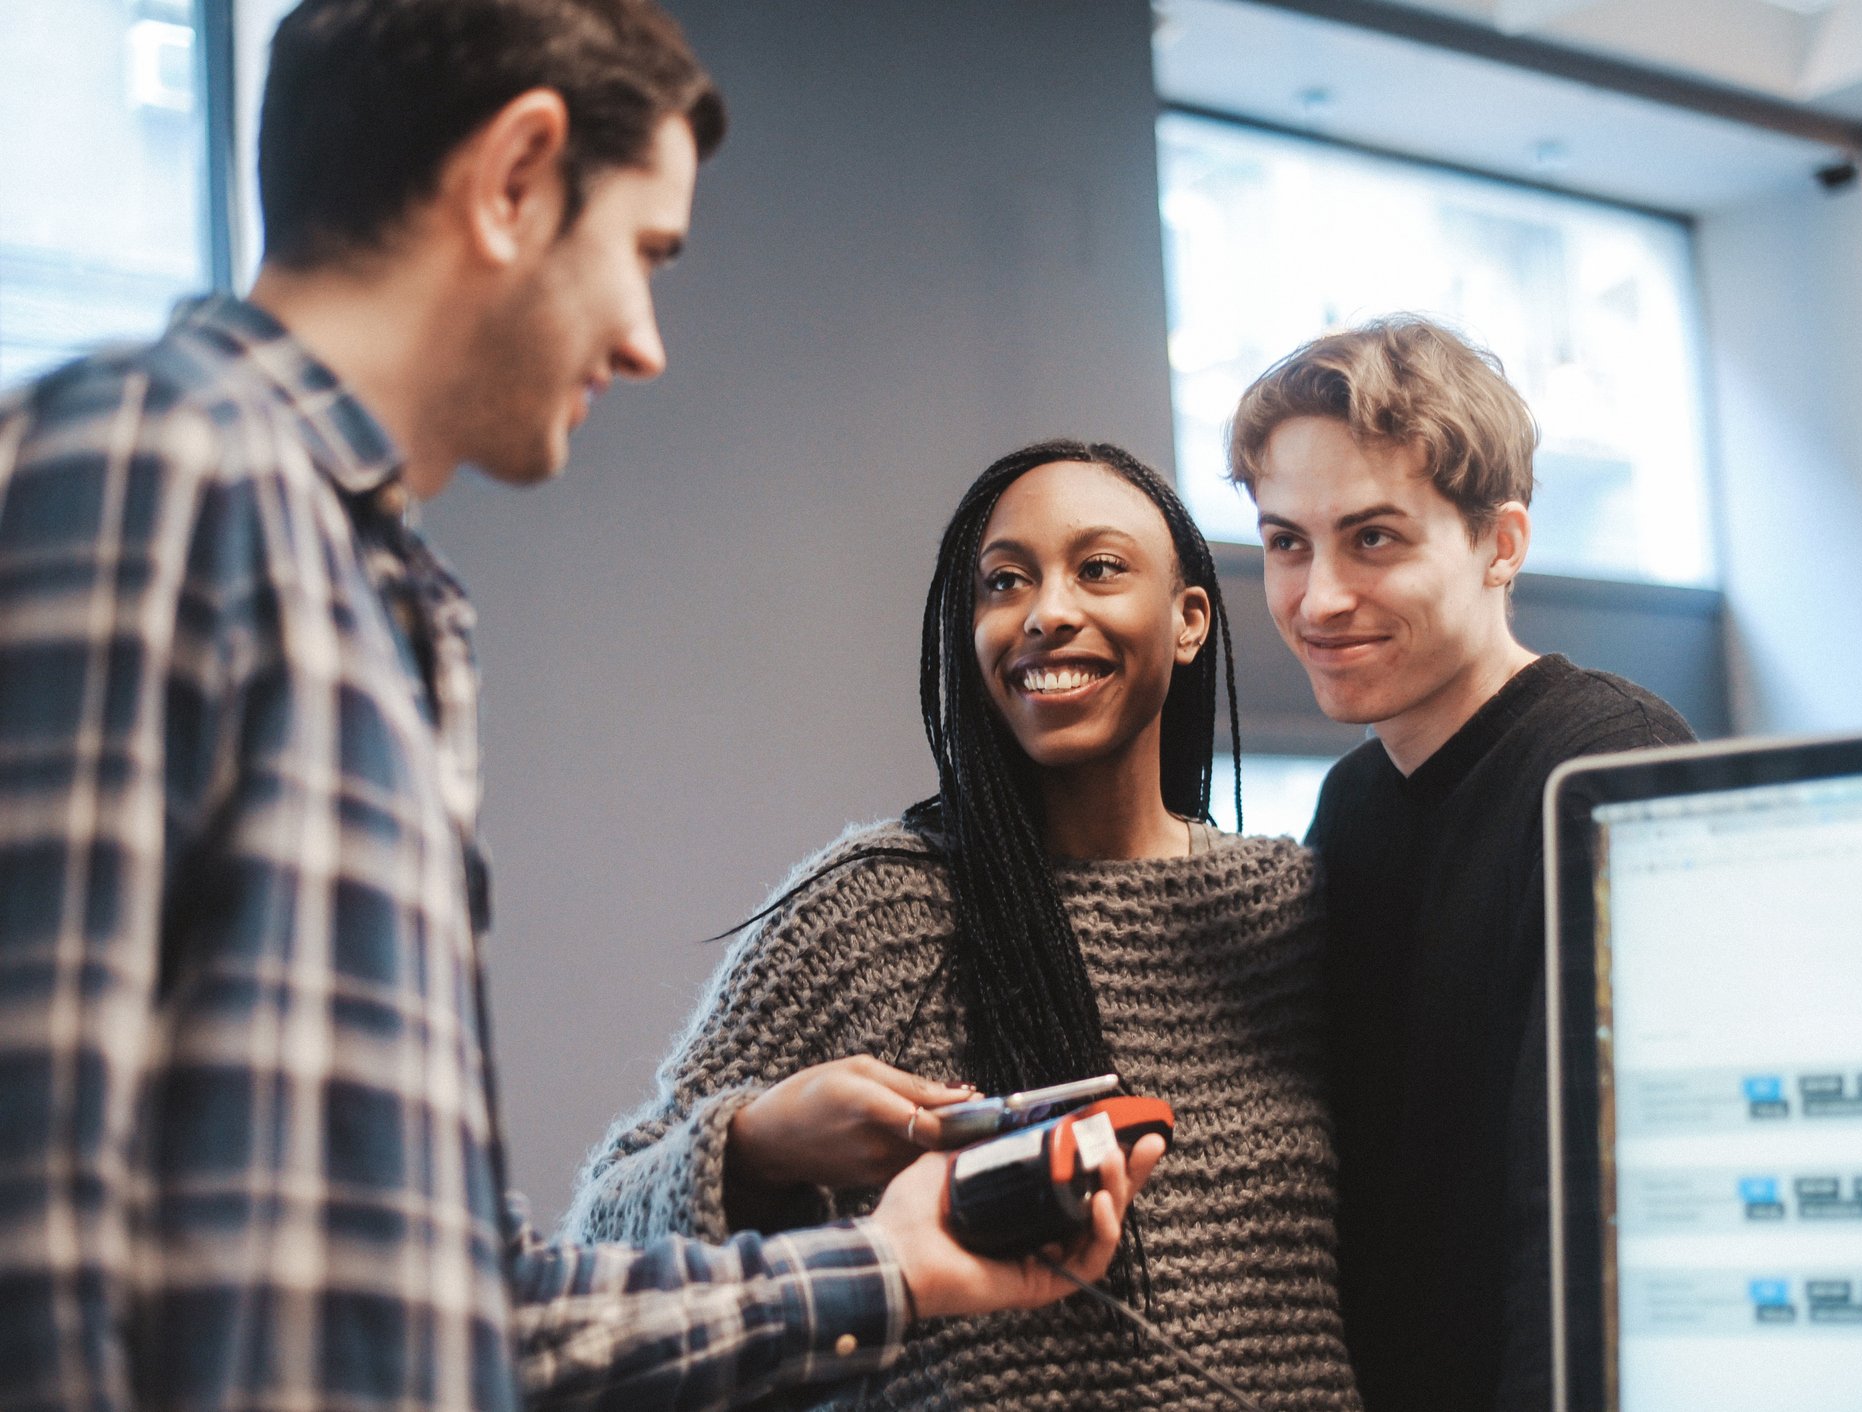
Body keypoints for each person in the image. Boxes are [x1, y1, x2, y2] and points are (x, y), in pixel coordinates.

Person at [0, 3, 1158, 1410]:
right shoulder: (150, 463)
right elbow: (33, 1199)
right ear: (516, 178)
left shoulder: (389, 605)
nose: (644, 341)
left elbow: (476, 1310)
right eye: (646, 253)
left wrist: (895, 1270)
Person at [564, 439, 1363, 1410]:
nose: (1046, 611)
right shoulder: (871, 914)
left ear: (1189, 617)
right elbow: (599, 1242)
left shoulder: (1292, 913)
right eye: (1004, 581)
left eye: (1099, 568)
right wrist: (758, 1145)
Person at [1226, 317, 1694, 1412]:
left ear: (1501, 542)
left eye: (1374, 537)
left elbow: (1604, 1202)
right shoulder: (1351, 804)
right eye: (1286, 542)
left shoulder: (1610, 762)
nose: (1319, 596)